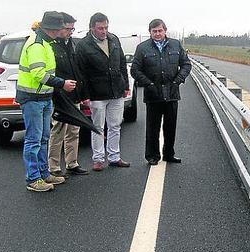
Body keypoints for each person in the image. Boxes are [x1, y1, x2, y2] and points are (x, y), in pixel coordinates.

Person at [16, 11, 77, 192]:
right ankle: (33, 178)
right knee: (33, 140)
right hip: (32, 98)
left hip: (43, 97)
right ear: (53, 29)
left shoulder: (46, 43)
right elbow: (38, 74)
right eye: (62, 28)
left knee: (43, 138)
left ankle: (43, 173)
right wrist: (62, 84)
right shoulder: (37, 45)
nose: (64, 31)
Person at [131, 19, 191, 165]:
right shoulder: (142, 48)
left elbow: (186, 64)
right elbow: (135, 70)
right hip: (153, 95)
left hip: (172, 94)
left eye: (160, 30)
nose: (157, 33)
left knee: (170, 127)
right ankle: (152, 155)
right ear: (150, 32)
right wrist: (148, 84)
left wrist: (178, 80)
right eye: (154, 31)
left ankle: (169, 154)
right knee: (153, 128)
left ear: (165, 30)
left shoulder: (176, 45)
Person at [76, 12, 131, 171]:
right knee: (98, 127)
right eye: (100, 28)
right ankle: (98, 159)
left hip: (116, 91)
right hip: (96, 93)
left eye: (106, 27)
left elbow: (122, 64)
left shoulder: (114, 40)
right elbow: (81, 73)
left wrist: (125, 85)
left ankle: (114, 156)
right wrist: (84, 95)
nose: (104, 31)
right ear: (92, 28)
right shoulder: (83, 45)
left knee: (115, 125)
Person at [47, 12, 89, 178]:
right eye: (67, 29)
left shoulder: (71, 44)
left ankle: (72, 163)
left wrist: (82, 93)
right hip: (59, 95)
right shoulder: (51, 46)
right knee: (58, 130)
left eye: (72, 29)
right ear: (59, 27)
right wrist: (60, 86)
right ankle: (54, 167)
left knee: (74, 130)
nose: (70, 32)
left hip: (74, 94)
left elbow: (77, 70)